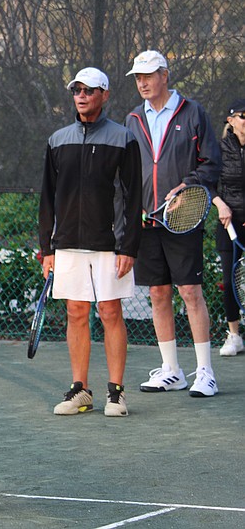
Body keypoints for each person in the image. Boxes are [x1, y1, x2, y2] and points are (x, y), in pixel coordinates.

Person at [38, 68, 143, 417]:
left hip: (109, 244)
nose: (81, 95)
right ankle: (80, 390)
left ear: (105, 95)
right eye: (76, 90)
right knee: (76, 312)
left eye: (89, 90)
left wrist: (129, 246)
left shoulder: (123, 139)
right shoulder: (57, 140)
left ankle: (116, 393)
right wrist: (48, 249)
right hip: (67, 243)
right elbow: (47, 199)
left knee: (110, 311)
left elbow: (132, 197)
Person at [124, 50, 222, 397]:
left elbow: (211, 163)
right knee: (158, 293)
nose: (143, 82)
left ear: (165, 74)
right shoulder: (133, 118)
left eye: (149, 75)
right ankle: (172, 371)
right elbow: (128, 170)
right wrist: (131, 207)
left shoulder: (193, 113)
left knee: (190, 292)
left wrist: (189, 187)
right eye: (138, 77)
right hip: (147, 222)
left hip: (183, 218)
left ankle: (205, 372)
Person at [212, 99, 245, 356]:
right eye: (243, 115)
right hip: (228, 224)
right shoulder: (219, 150)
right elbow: (208, 182)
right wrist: (220, 204)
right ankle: (234, 335)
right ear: (231, 120)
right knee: (229, 279)